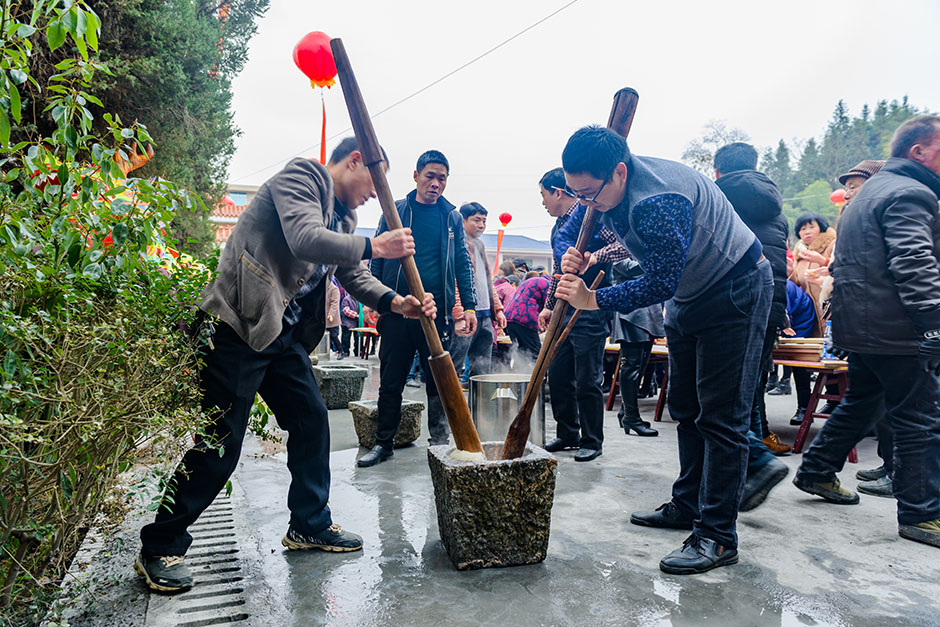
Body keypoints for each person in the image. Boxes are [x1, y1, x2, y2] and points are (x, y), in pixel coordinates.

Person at [134, 138, 436, 593]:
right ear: (354, 162)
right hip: (239, 327)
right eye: (374, 181)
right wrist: (376, 245)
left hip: (282, 337)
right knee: (221, 443)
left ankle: (309, 525)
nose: (376, 194)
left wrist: (396, 303)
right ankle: (160, 545)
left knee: (312, 419)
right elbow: (304, 237)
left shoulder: (345, 217)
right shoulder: (303, 176)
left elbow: (351, 273)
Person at [554, 125, 771, 574]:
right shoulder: (598, 190)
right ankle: (687, 505)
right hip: (691, 296)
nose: (585, 205)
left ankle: (717, 536)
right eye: (577, 195)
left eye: (590, 195)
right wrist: (567, 256)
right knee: (685, 406)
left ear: (619, 172)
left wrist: (591, 299)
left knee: (722, 416)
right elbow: (574, 229)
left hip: (735, 288)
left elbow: (658, 282)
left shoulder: (657, 201)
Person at [793, 115, 940, 549]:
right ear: (918, 151)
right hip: (898, 329)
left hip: (861, 328)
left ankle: (817, 469)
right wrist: (933, 324)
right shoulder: (910, 192)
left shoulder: (865, 195)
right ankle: (922, 513)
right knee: (920, 420)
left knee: (861, 403)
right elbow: (913, 262)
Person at [362, 150, 477, 467]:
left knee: (438, 383)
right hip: (397, 311)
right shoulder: (395, 211)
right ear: (415, 175)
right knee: (391, 381)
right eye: (430, 176)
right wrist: (377, 301)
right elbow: (375, 259)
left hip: (434, 314)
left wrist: (468, 305)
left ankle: (439, 445)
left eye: (442, 178)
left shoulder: (451, 217)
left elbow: (462, 265)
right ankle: (383, 443)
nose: (436, 183)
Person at [538, 166, 627, 462]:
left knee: (587, 378)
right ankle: (567, 433)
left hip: (591, 305)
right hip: (564, 308)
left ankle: (592, 439)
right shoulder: (558, 229)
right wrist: (550, 306)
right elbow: (557, 272)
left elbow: (623, 246)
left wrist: (594, 258)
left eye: (543, 195)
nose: (543, 202)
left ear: (558, 192)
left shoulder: (592, 216)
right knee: (559, 373)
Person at [714, 142, 791, 458]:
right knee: (753, 380)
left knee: (724, 392)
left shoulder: (714, 199)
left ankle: (753, 458)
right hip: (771, 304)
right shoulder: (776, 210)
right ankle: (760, 444)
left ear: (717, 171)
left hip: (728, 304)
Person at [787, 212, 839, 424]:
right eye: (802, 229)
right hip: (808, 315)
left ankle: (839, 401)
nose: (806, 232)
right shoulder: (801, 253)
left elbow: (842, 269)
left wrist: (823, 262)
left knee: (835, 358)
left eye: (811, 227)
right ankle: (805, 406)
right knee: (803, 358)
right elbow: (794, 282)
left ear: (821, 227)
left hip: (830, 312)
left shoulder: (833, 244)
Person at [449, 202, 507, 380]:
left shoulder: (479, 245)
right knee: (453, 365)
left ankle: (478, 406)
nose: (481, 225)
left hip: (484, 315)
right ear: (463, 220)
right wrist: (459, 314)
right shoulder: (455, 244)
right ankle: (446, 407)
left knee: (482, 370)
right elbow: (454, 282)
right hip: (466, 314)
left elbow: (488, 281)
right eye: (476, 220)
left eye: (484, 221)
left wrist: (497, 309)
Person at [609, 259, 663, 437]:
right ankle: (632, 417)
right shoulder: (620, 247)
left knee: (641, 365)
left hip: (649, 312)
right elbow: (631, 267)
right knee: (631, 366)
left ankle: (626, 412)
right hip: (632, 313)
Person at [504, 274, 551, 362]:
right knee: (536, 353)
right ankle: (537, 375)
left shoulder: (529, 281)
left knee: (520, 351)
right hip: (525, 319)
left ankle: (520, 373)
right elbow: (550, 307)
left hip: (509, 318)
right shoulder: (548, 285)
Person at [339, 285, 359, 358]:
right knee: (345, 338)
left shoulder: (359, 300)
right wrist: (357, 315)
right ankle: (345, 351)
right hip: (347, 323)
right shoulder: (346, 299)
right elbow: (346, 311)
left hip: (357, 323)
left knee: (357, 338)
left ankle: (357, 351)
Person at [326, 279, 342, 357]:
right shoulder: (323, 289)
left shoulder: (334, 289)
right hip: (323, 317)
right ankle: (329, 350)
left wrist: (331, 314)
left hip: (331, 318)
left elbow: (334, 303)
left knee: (333, 335)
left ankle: (340, 351)